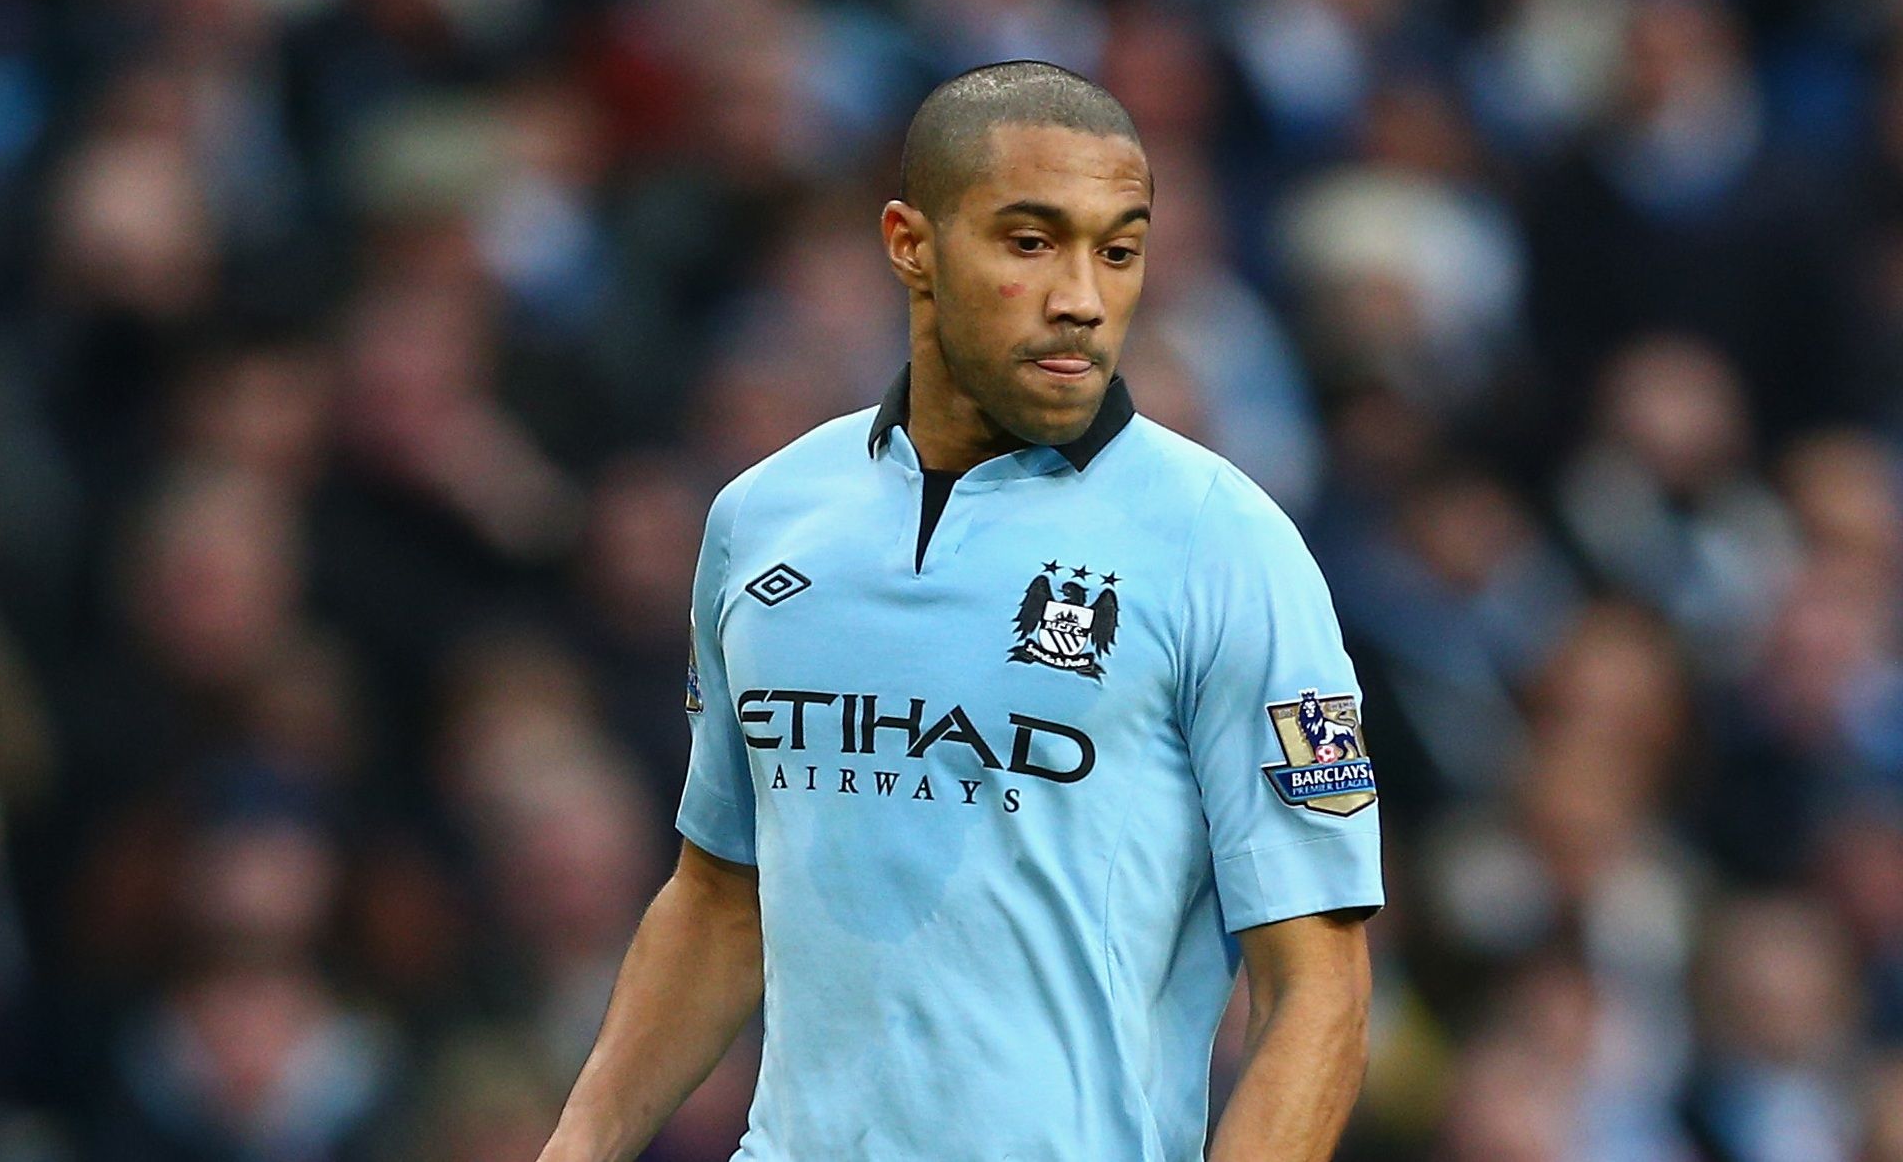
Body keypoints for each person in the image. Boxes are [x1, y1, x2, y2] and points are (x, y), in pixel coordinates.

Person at [539, 61, 1383, 1161]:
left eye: (1117, 251)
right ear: (910, 245)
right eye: (1031, 242)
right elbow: (719, 894)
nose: (1081, 297)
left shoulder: (1223, 542)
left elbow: (1318, 985)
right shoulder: (763, 518)